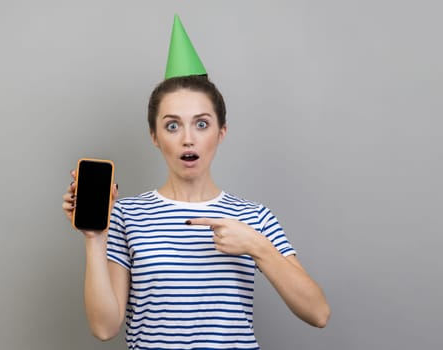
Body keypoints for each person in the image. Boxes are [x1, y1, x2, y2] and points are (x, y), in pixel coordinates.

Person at [62, 15, 330, 350]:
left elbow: (318, 313)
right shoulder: (126, 216)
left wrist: (256, 246)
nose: (188, 138)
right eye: (172, 126)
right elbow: (104, 327)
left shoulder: (254, 218)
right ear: (155, 137)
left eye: (201, 124)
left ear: (221, 132)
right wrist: (94, 239)